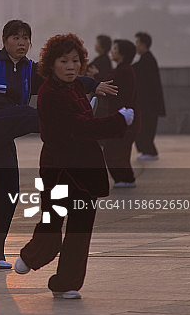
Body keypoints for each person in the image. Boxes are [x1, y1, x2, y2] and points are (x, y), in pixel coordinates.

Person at [0, 21, 115, 270]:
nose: (21, 43)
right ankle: (77, 124)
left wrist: (93, 85)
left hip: (3, 136)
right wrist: (15, 110)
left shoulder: (30, 70)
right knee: (29, 114)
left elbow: (60, 76)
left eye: (26, 38)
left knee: (8, 189)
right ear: (5, 40)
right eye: (16, 38)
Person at [14, 33, 133, 299]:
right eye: (64, 61)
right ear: (51, 64)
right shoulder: (49, 94)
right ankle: (31, 256)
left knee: (80, 232)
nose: (71, 66)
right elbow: (79, 127)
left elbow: (85, 112)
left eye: (75, 61)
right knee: (51, 222)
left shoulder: (77, 86)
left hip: (85, 170)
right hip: (59, 169)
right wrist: (118, 122)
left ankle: (66, 283)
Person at [101, 39, 141, 188]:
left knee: (116, 151)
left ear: (122, 53)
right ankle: (125, 179)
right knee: (117, 151)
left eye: (115, 49)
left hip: (124, 118)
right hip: (123, 117)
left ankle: (125, 179)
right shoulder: (123, 70)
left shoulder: (124, 71)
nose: (113, 51)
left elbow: (112, 87)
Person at [133, 32, 166, 160]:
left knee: (146, 128)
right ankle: (147, 151)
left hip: (149, 105)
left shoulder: (147, 61)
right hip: (148, 104)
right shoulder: (146, 60)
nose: (136, 46)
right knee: (144, 127)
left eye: (137, 43)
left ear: (143, 44)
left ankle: (150, 152)